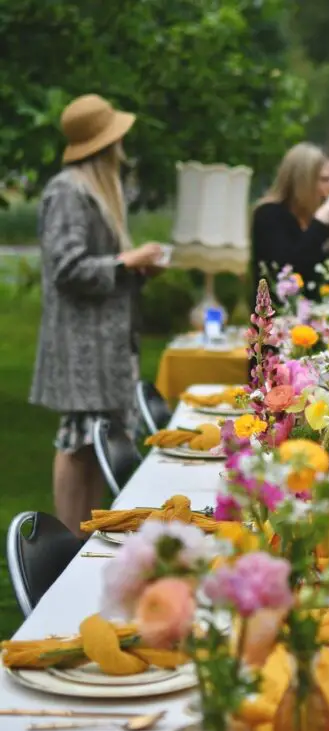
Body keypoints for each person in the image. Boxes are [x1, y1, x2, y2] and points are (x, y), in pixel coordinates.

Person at [30, 94, 164, 537]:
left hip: (106, 345)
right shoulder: (68, 191)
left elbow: (98, 265)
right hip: (81, 348)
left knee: (96, 444)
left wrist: (135, 267)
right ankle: (68, 545)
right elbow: (66, 267)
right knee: (76, 443)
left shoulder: (99, 191)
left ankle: (86, 538)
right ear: (106, 144)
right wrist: (126, 261)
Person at [251, 142, 329, 303]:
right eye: (324, 180)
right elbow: (287, 274)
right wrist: (319, 223)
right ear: (302, 182)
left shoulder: (322, 219)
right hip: (277, 319)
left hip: (320, 316)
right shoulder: (268, 215)